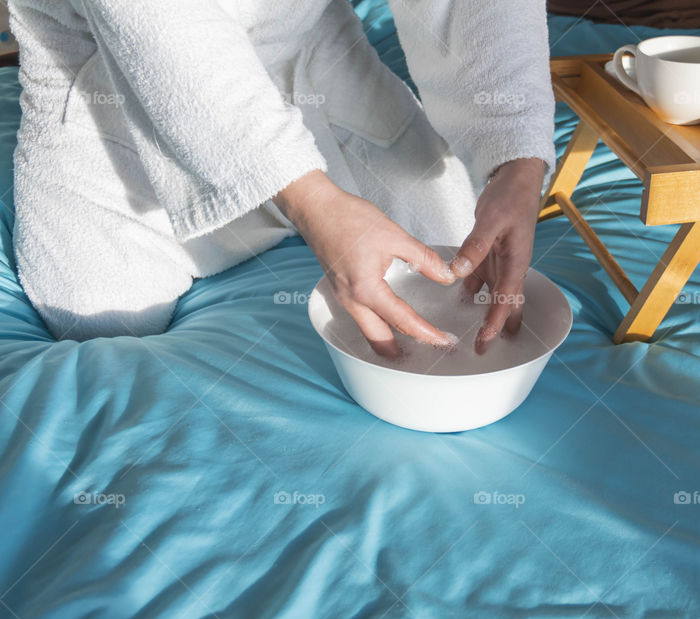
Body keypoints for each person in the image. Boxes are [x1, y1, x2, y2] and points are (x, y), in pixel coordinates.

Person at [8, 0, 555, 355]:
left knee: (452, 255)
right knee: (98, 319)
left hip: (306, 52)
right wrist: (315, 204)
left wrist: (517, 160)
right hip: (108, 73)